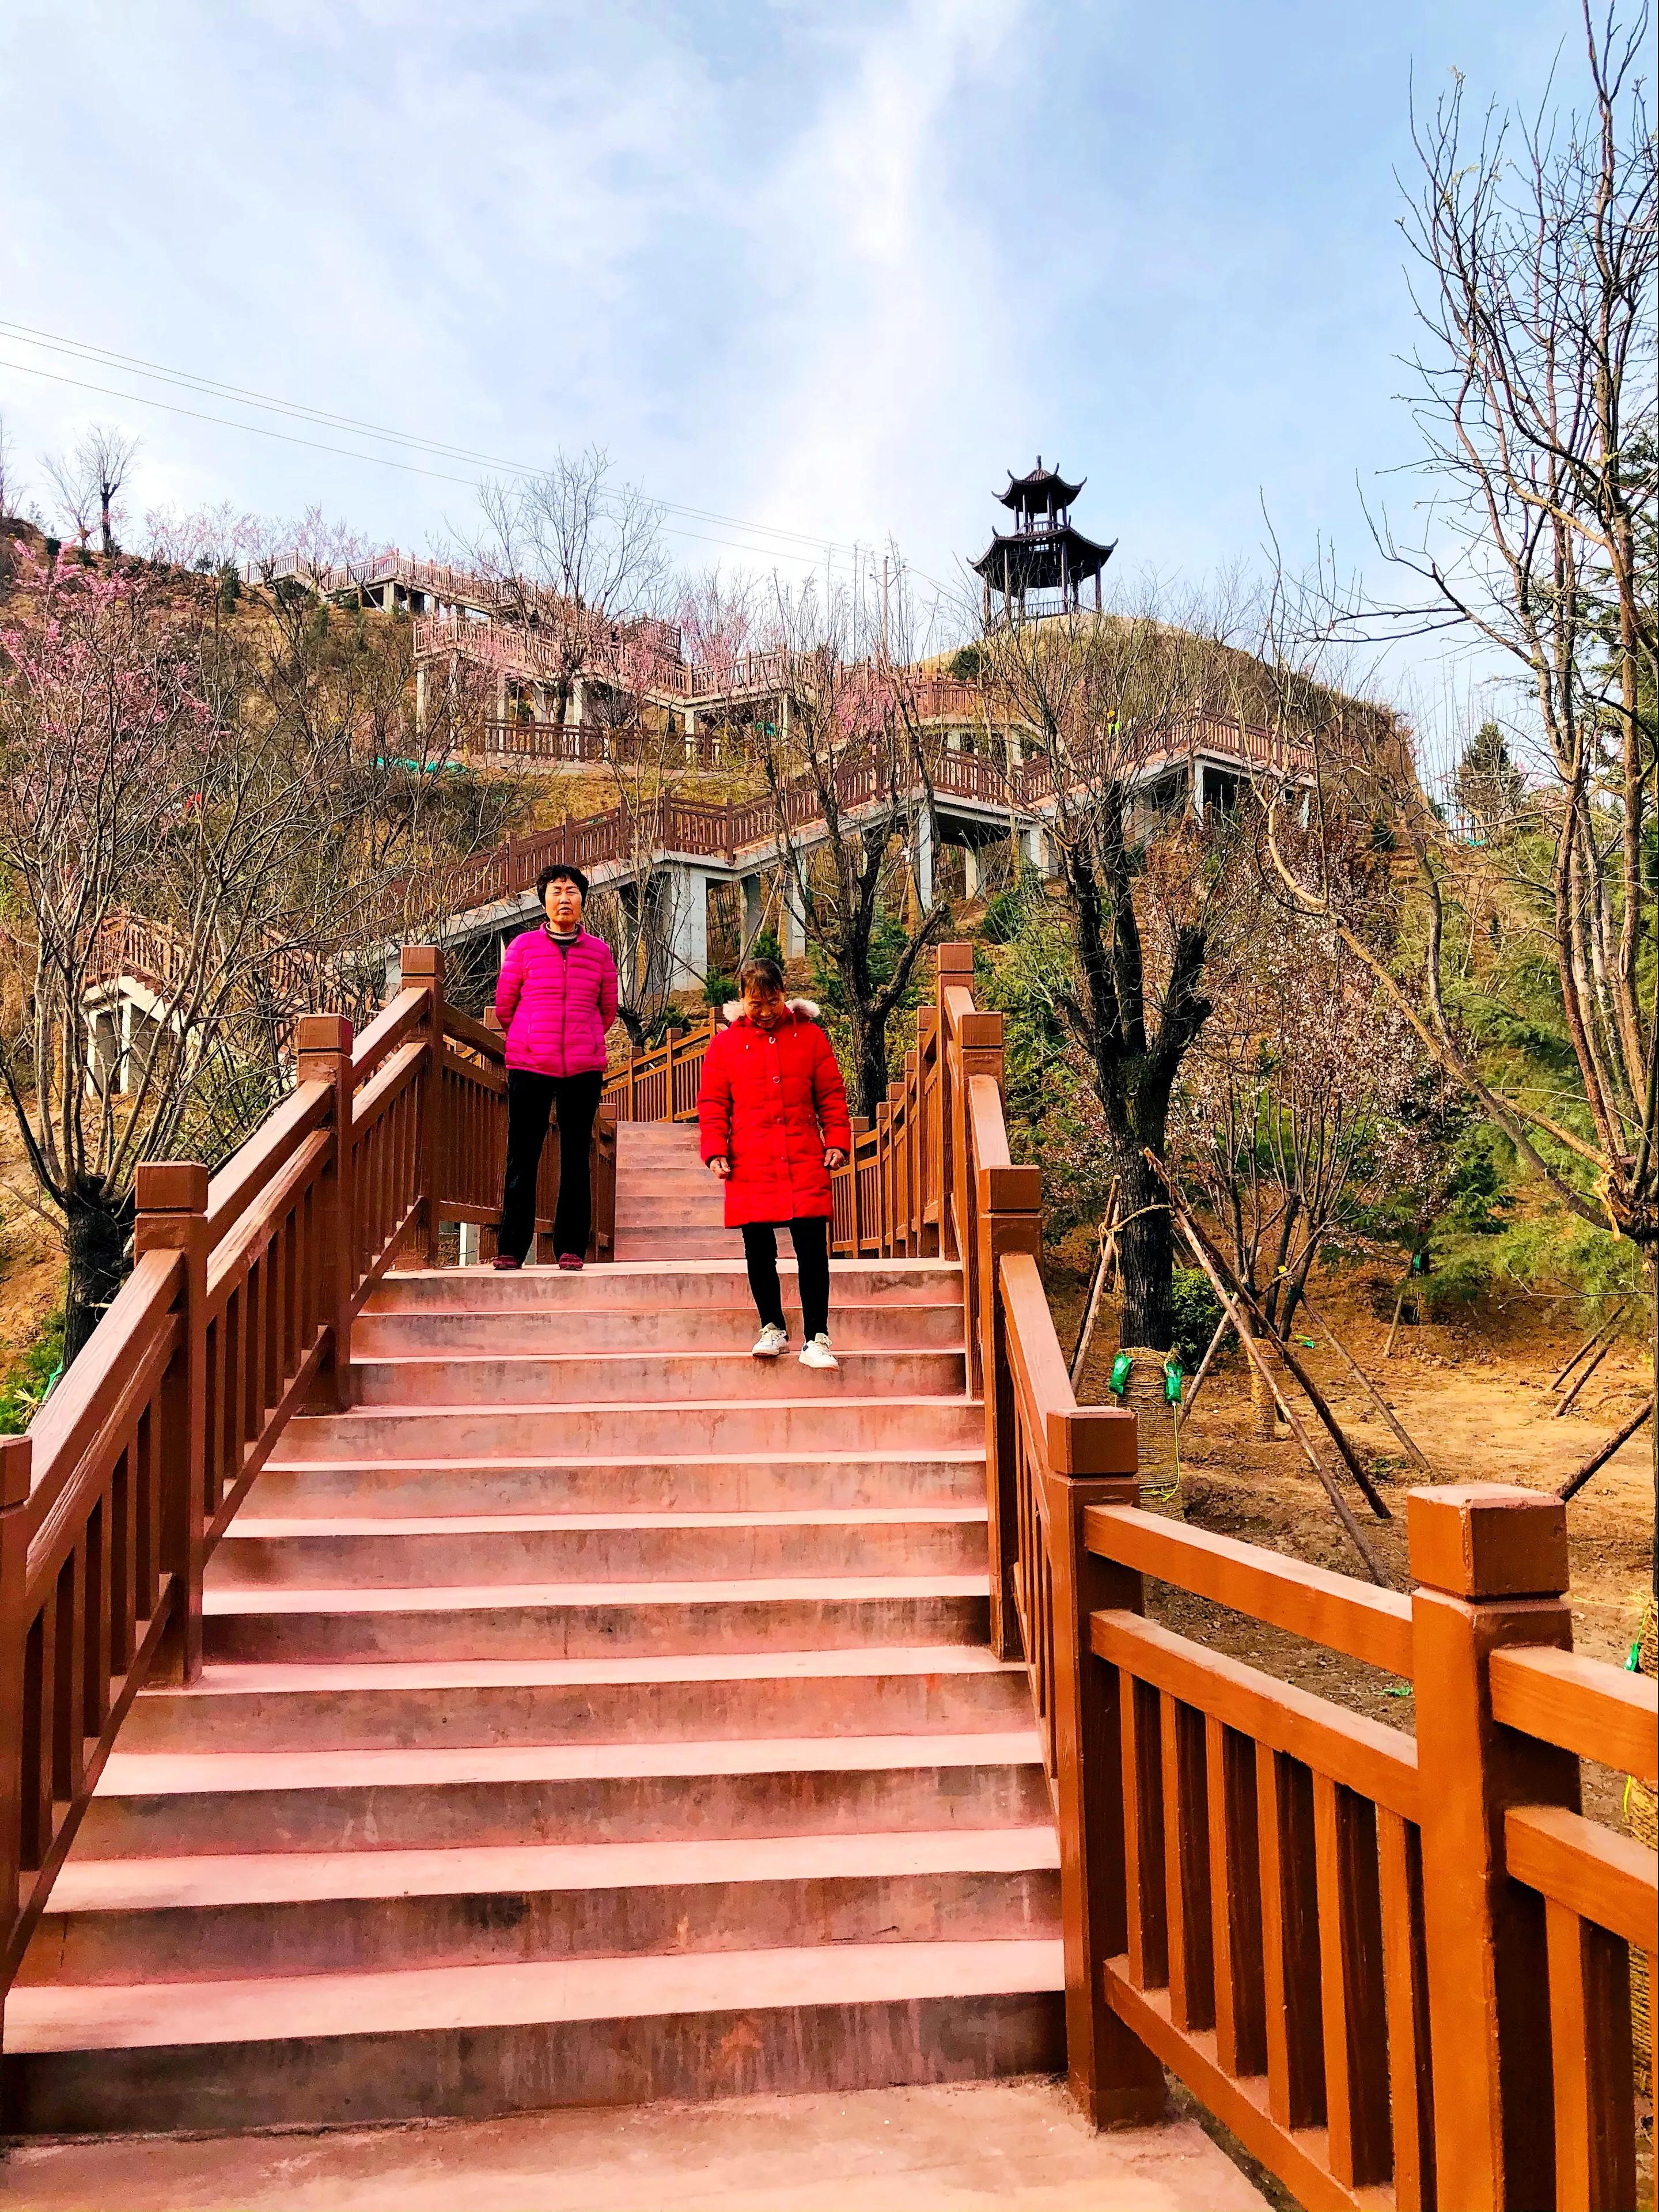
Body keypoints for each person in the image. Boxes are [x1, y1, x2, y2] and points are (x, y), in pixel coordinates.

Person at [697, 955, 851, 1369]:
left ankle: (817, 1337)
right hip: (750, 1159)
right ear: (742, 1001)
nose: (765, 1013)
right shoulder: (725, 1045)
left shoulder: (811, 1037)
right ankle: (772, 1327)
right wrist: (716, 1150)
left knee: (811, 1248)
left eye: (773, 1002)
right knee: (758, 1247)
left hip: (803, 1154)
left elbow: (832, 1096)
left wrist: (836, 1141)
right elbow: (713, 1103)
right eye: (756, 1003)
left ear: (785, 995)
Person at [493, 863, 618, 1270]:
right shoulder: (523, 948)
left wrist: (581, 1038)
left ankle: (570, 1248)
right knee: (522, 1155)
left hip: (582, 1067)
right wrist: (531, 1037)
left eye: (572, 891)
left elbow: (607, 1011)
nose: (565, 898)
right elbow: (505, 1007)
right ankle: (511, 1247)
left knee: (576, 1156)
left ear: (583, 900)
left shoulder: (599, 952)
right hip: (530, 1064)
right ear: (543, 899)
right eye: (556, 891)